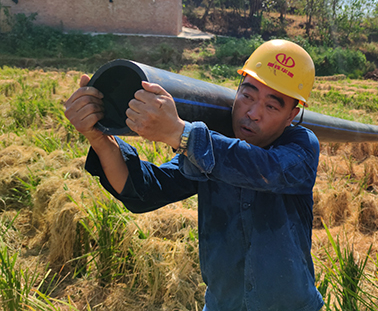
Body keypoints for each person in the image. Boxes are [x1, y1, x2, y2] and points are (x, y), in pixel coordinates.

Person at [64, 40, 324, 311]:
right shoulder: (210, 147)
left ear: (291, 115)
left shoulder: (301, 146)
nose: (252, 113)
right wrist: (99, 137)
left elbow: (266, 170)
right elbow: (147, 190)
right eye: (247, 95)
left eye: (272, 106)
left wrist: (180, 133)